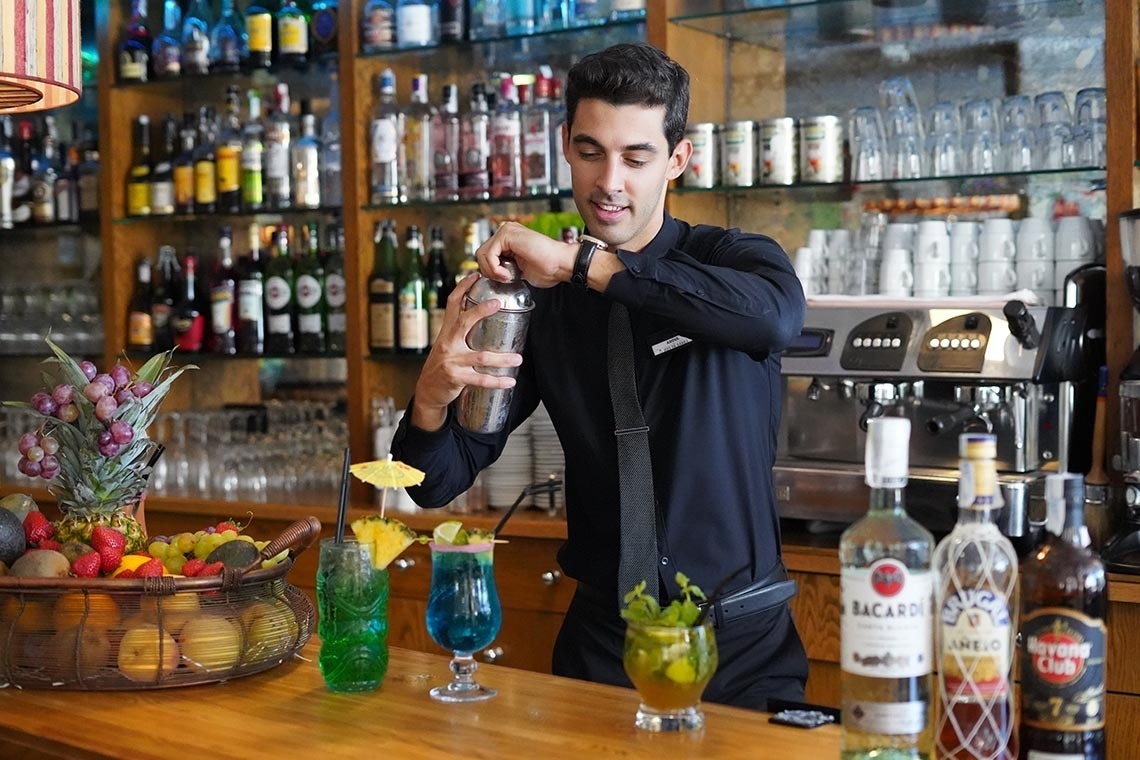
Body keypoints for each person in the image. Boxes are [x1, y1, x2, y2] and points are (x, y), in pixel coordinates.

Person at [391, 42, 809, 710]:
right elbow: (436, 478)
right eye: (590, 152)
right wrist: (432, 397)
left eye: (636, 158)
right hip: (603, 647)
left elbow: (774, 320)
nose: (609, 181)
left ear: (677, 159)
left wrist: (583, 265)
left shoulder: (732, 263)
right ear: (565, 145)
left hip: (742, 647)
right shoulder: (543, 307)